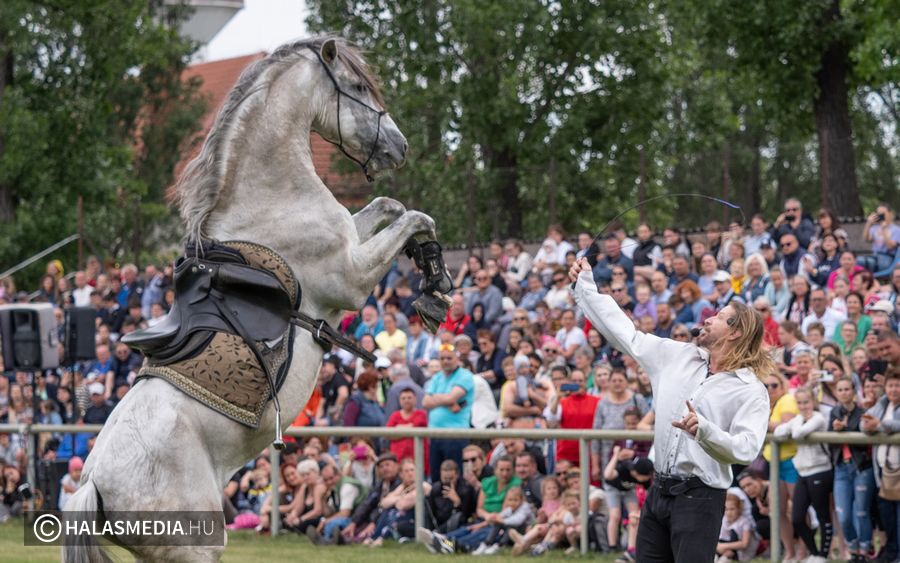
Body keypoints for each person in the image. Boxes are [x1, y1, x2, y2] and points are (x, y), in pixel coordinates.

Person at [569, 257, 773, 563]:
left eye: (719, 317)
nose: (707, 319)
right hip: (658, 491)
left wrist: (704, 431)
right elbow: (627, 334)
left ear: (734, 334)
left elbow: (745, 449)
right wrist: (585, 285)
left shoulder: (751, 390)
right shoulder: (676, 356)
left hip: (700, 499)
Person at [773, 387, 833, 563]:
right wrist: (797, 421)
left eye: (806, 402)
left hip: (820, 470)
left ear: (813, 402)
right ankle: (814, 552)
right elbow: (778, 432)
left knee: (823, 515)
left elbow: (798, 434)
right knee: (797, 517)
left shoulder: (818, 417)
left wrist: (795, 423)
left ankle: (823, 554)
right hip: (803, 473)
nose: (803, 406)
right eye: (799, 403)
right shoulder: (799, 419)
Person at [829, 376, 876, 563]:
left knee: (861, 512)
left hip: (862, 466)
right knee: (843, 515)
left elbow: (866, 434)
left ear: (854, 391)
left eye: (847, 389)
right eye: (840, 390)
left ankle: (864, 551)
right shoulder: (834, 412)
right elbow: (827, 438)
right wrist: (835, 431)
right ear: (836, 393)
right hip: (841, 467)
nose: (843, 393)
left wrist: (845, 428)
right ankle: (853, 548)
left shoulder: (863, 411)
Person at [424, 344, 475, 480]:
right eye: (442, 358)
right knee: (436, 478)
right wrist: (446, 400)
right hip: (434, 434)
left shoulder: (465, 376)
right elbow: (425, 402)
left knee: (455, 477)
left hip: (455, 434)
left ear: (457, 359)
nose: (445, 361)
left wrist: (437, 398)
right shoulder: (437, 377)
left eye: (449, 358)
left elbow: (451, 397)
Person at [715, 493, 760, 563]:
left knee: (733, 534)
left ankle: (725, 558)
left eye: (732, 509)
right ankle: (718, 557)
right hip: (725, 547)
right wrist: (719, 547)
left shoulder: (744, 522)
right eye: (726, 509)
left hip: (740, 552)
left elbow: (744, 544)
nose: (729, 512)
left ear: (739, 509)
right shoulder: (724, 520)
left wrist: (723, 546)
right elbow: (721, 538)